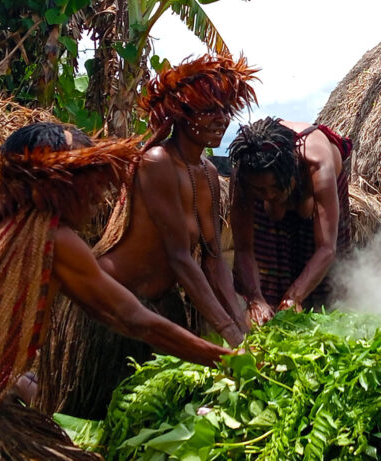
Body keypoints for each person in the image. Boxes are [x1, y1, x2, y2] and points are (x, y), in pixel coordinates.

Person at [0, 122, 231, 460]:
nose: (99, 198)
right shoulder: (53, 241)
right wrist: (224, 359)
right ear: (57, 184)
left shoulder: (1, 226)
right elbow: (132, 319)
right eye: (89, 184)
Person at [37, 54, 256, 419]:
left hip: (160, 307)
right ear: (182, 114)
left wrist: (243, 329)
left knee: (157, 421)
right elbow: (179, 258)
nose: (221, 119)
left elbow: (214, 259)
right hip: (113, 307)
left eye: (225, 110)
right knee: (90, 420)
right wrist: (230, 336)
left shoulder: (206, 171)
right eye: (209, 110)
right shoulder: (158, 162)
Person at [229, 117, 352, 323]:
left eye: (274, 188)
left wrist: (293, 297)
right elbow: (243, 248)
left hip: (316, 188)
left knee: (327, 296)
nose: (268, 195)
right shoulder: (244, 174)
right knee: (265, 276)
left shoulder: (317, 162)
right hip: (273, 184)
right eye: (260, 190)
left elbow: (326, 248)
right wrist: (256, 299)